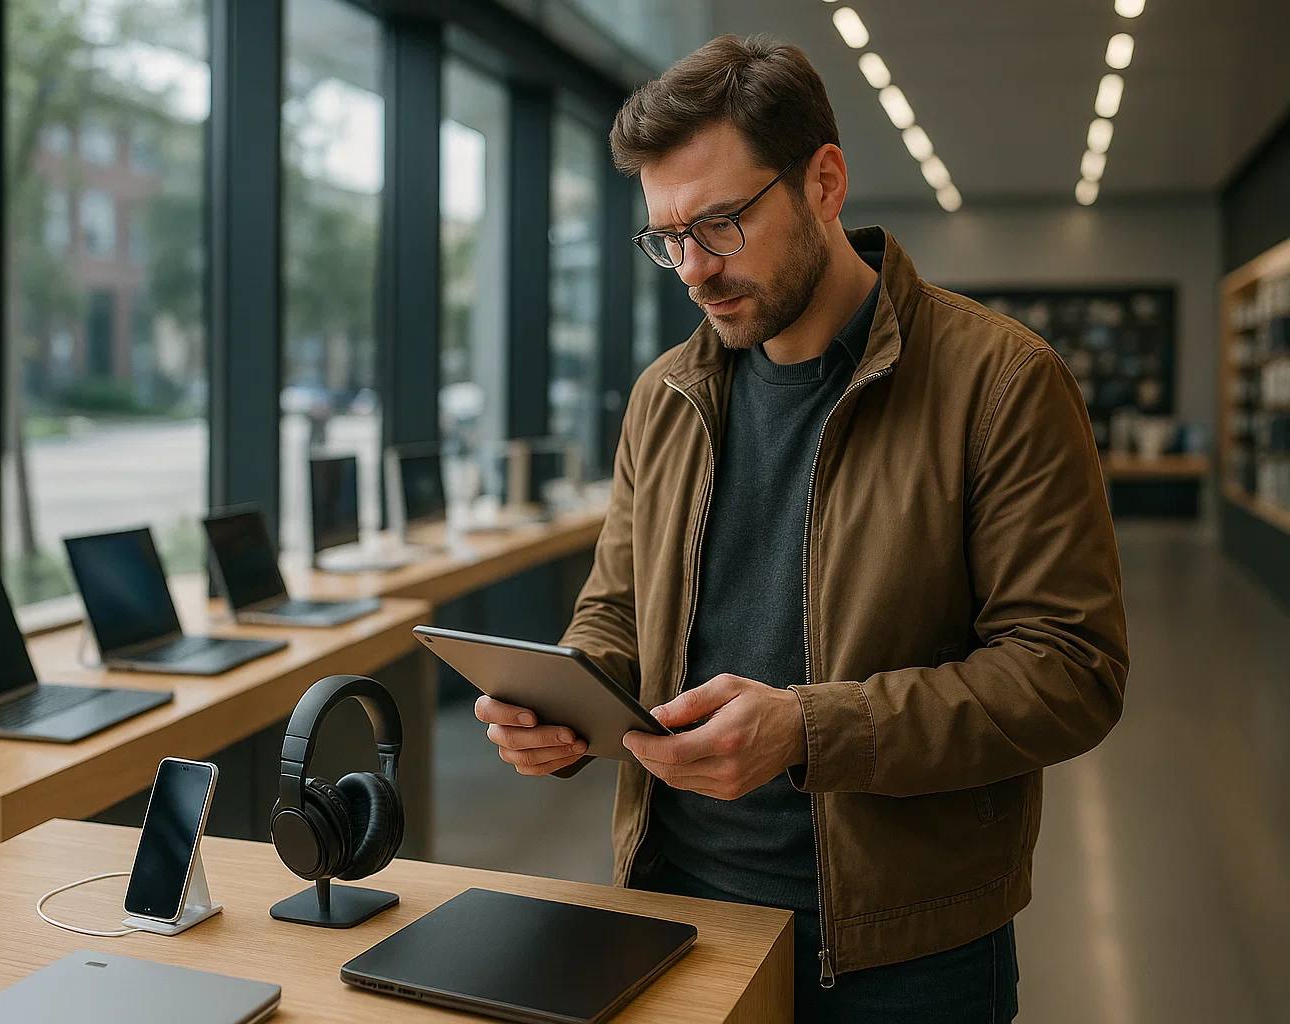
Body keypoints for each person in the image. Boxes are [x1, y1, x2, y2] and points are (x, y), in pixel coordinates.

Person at [475, 34, 1128, 1023]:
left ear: (824, 182)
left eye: (723, 223)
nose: (692, 269)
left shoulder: (1002, 382)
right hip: (678, 912)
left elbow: (1070, 671)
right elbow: (616, 613)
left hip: (902, 951)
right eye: (666, 237)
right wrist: (562, 706)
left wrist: (807, 729)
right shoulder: (667, 396)